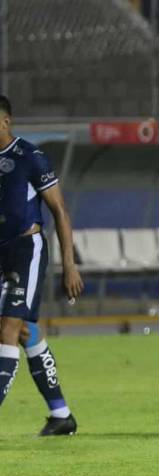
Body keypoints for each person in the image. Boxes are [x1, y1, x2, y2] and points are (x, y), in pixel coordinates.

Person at [0, 95, 85, 436]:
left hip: (26, 248)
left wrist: (70, 264)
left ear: (5, 122)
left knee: (7, 326)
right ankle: (61, 414)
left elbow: (60, 211)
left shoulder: (30, 157)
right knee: (23, 331)